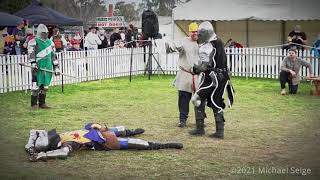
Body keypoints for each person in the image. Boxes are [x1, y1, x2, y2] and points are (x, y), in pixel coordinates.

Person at [25, 122, 183, 161]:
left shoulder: (62, 136)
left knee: (118, 129)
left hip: (96, 132)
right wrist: (41, 155)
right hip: (103, 142)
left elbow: (35, 131)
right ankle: (165, 145)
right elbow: (63, 153)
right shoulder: (67, 144)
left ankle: (133, 130)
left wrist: (30, 145)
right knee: (136, 143)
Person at [189, 21, 235, 139]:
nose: (198, 36)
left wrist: (194, 69)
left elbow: (204, 66)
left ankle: (201, 129)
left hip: (212, 78)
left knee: (197, 98)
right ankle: (219, 131)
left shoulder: (207, 46)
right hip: (223, 76)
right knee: (216, 101)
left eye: (200, 34)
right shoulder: (218, 42)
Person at [166, 22, 200, 128]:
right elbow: (174, 47)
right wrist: (168, 45)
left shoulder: (202, 43)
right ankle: (182, 120)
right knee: (183, 99)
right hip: (185, 76)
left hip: (197, 77)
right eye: (193, 31)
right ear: (189, 32)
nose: (195, 33)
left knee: (199, 99)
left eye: (197, 31)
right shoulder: (184, 42)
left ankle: (200, 120)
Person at [28, 24, 61, 109]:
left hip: (48, 66)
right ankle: (34, 104)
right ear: (39, 32)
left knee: (45, 86)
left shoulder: (51, 42)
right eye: (43, 33)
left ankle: (42, 103)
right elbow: (31, 54)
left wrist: (56, 67)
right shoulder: (33, 41)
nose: (45, 34)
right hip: (38, 66)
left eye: (46, 32)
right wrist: (33, 64)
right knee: (35, 86)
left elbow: (53, 56)